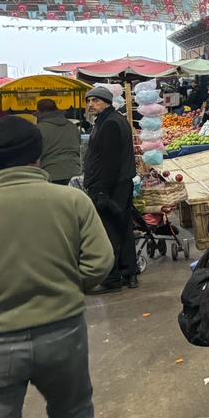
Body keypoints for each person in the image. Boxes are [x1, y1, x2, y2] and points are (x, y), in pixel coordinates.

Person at [0, 117, 113, 418]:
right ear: (39, 155)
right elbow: (100, 262)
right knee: (74, 417)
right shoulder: (72, 201)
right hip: (63, 331)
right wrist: (67, 285)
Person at [82, 86, 138, 293]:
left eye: (95, 101)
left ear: (106, 102)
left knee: (109, 231)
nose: (91, 105)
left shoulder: (111, 123)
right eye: (89, 101)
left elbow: (110, 161)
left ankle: (113, 278)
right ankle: (128, 273)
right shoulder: (109, 120)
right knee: (122, 227)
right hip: (118, 184)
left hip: (111, 186)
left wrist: (103, 191)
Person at [35, 98, 81, 186]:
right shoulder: (72, 126)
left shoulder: (38, 129)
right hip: (74, 173)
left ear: (39, 112)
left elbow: (35, 155)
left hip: (50, 174)